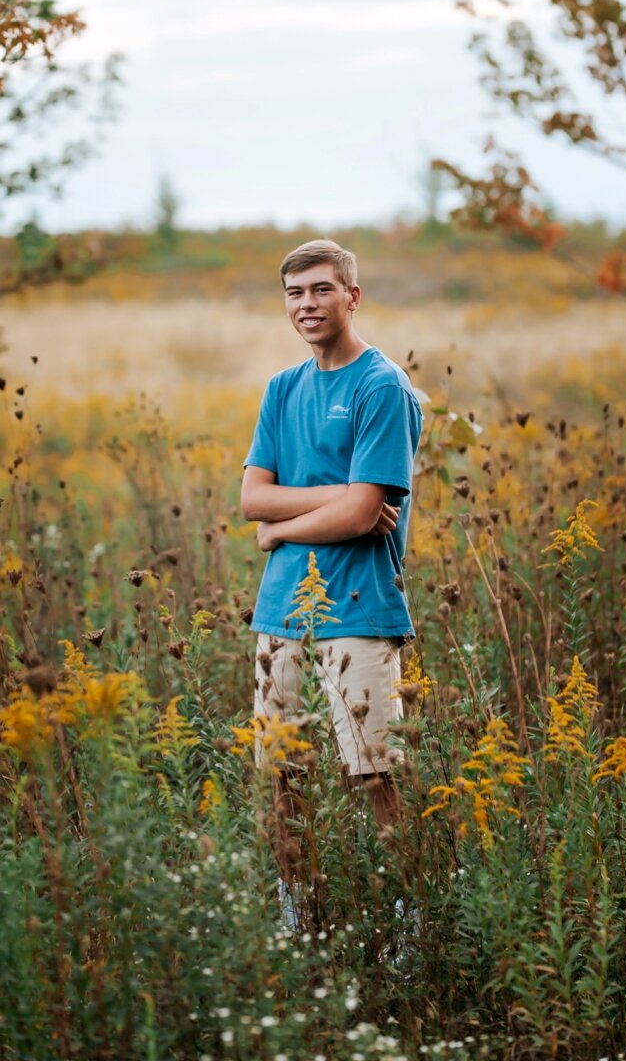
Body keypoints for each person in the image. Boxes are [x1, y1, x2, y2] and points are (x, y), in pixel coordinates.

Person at [240, 238, 422, 915]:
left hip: (360, 608)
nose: (307, 304)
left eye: (321, 289)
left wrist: (281, 528)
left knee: (373, 774)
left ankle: (409, 925)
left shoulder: (382, 386)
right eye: (295, 293)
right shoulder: (283, 389)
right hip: (280, 611)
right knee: (280, 777)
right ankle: (297, 917)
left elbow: (364, 511)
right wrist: (339, 500)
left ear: (353, 295)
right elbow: (253, 497)